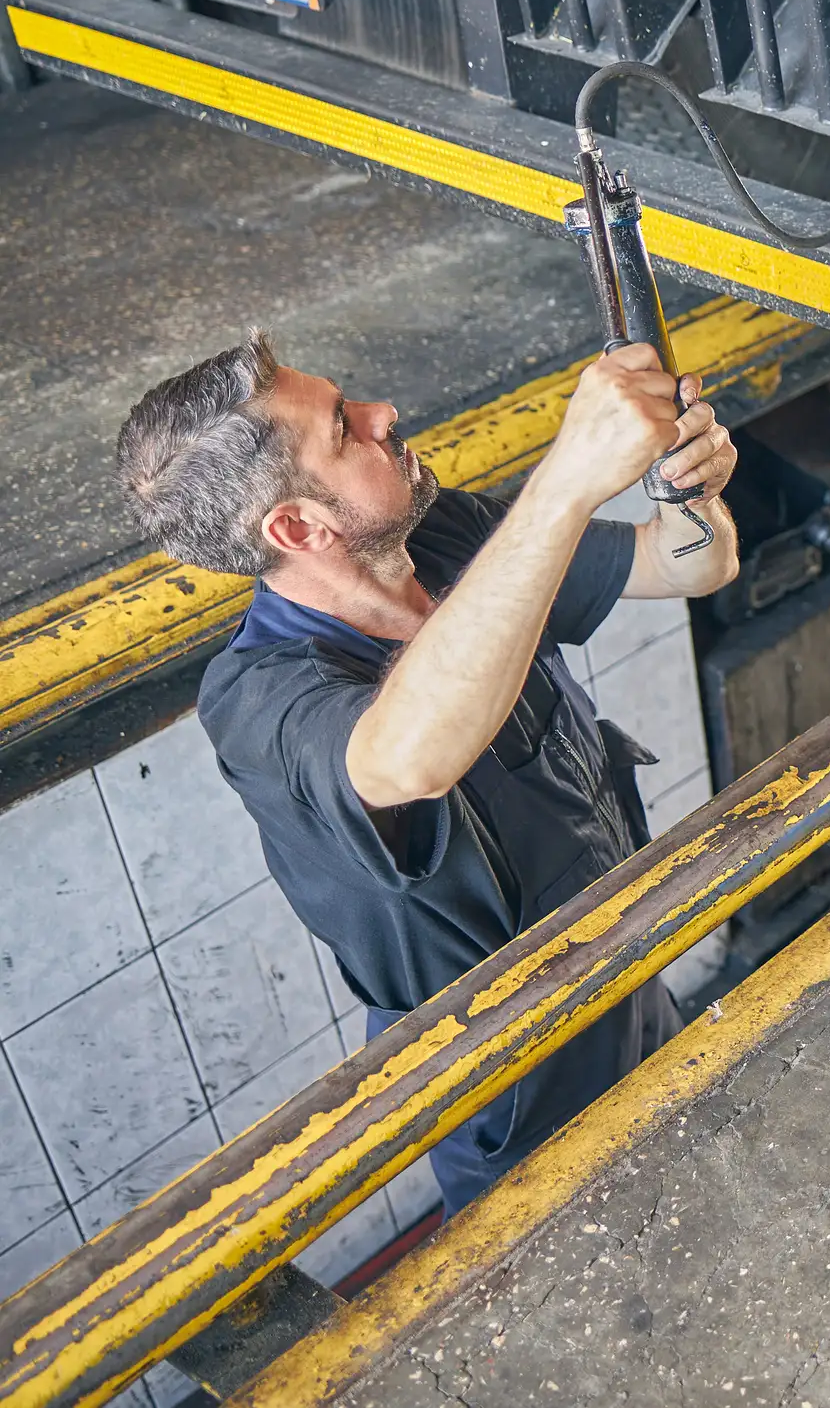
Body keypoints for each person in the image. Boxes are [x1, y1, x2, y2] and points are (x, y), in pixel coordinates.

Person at [114, 332, 740, 1215]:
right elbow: (406, 755)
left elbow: (698, 562)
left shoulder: (435, 537)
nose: (383, 415)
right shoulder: (259, 699)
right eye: (344, 428)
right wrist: (562, 482)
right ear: (298, 527)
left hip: (629, 971)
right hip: (519, 1087)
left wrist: (688, 484)